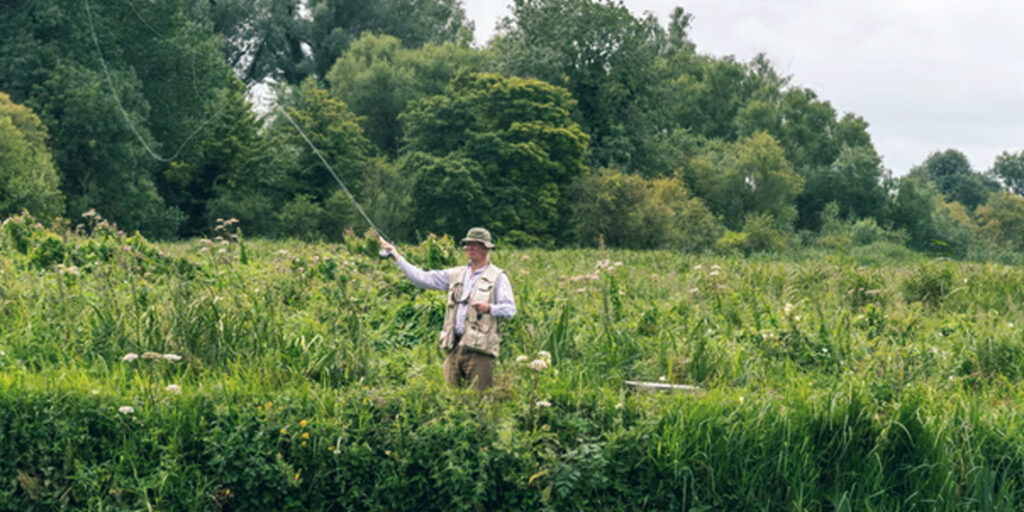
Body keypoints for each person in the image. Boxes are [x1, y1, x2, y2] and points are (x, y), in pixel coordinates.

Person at [379, 227, 516, 392]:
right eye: (468, 244)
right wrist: (396, 256)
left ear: (487, 248)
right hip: (454, 347)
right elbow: (422, 279)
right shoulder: (456, 274)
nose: (470, 248)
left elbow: (510, 310)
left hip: (481, 353)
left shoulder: (499, 277)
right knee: (450, 400)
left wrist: (490, 308)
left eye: (476, 244)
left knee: (479, 403)